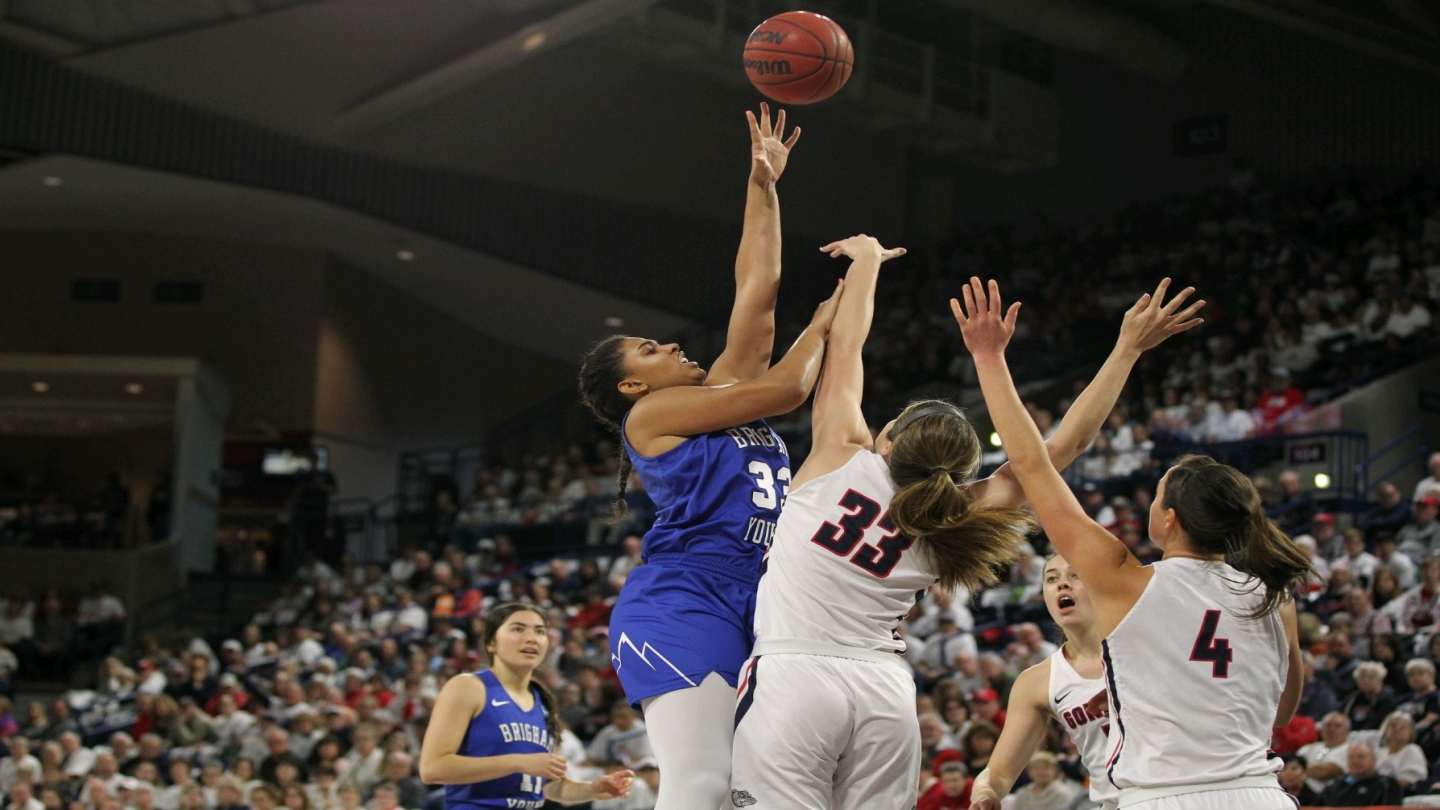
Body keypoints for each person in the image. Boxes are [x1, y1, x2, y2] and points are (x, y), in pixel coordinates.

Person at [731, 248, 1197, 809]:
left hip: (795, 671)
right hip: (884, 691)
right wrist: (1126, 350)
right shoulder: (958, 514)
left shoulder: (839, 456)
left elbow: (846, 346)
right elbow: (1062, 446)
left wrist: (867, 263)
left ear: (892, 437)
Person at [959, 276, 1309, 809]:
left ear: (1168, 519)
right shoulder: (1275, 595)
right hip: (1260, 795)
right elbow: (1281, 714)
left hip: (1164, 798)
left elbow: (1032, 465)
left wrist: (988, 357)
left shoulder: (1125, 580)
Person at [576, 103, 826, 810]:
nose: (672, 347)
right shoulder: (651, 414)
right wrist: (832, 320)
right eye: (651, 351)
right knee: (703, 782)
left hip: (758, 596)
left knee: (750, 788)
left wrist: (763, 185)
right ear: (632, 384)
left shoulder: (712, 395)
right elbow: (787, 389)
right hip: (685, 599)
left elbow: (759, 289)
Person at [418, 603, 632, 809]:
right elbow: (432, 768)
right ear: (491, 643)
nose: (531, 638)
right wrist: (518, 762)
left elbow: (551, 786)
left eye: (539, 631)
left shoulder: (544, 702)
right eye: (518, 629)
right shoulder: (469, 687)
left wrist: (591, 789)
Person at [970, 556, 1118, 810]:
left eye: (1075, 575)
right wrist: (986, 793)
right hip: (1115, 801)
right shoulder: (1038, 681)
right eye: (1052, 578)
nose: (1062, 584)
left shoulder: (1146, 648)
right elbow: (998, 773)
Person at [1315, 741, 1402, 807]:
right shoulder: (1334, 785)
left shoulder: (1387, 784)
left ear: (1374, 760)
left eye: (1361, 757)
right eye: (1351, 757)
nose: (1355, 761)